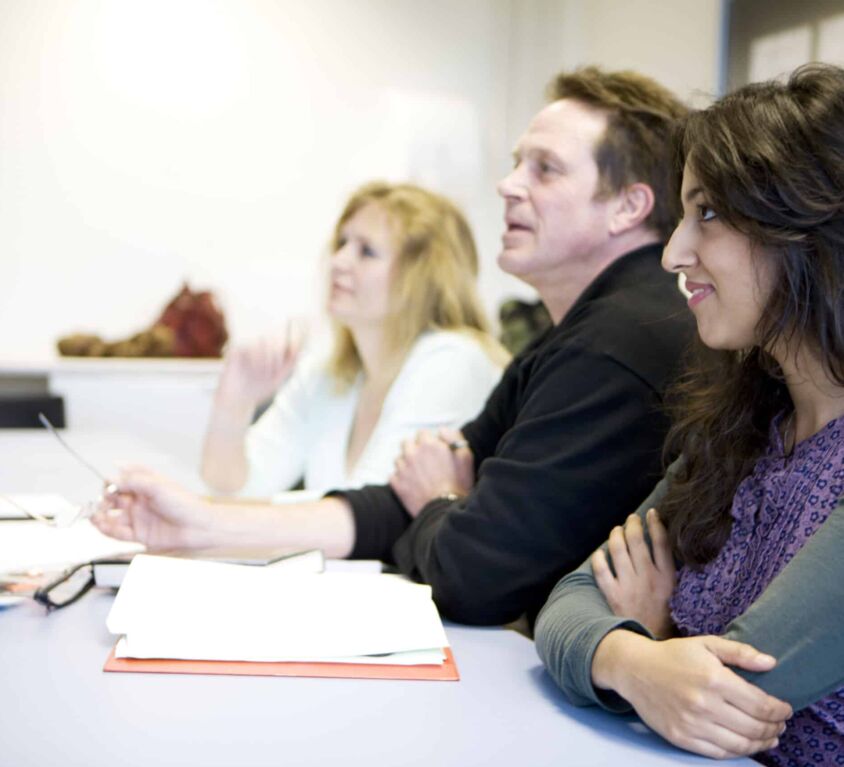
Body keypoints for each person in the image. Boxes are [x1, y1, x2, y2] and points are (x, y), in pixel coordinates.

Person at [92, 67, 693, 624]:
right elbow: (395, 511)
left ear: (627, 206)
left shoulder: (614, 342)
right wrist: (198, 527)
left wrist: (440, 498)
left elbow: (470, 571)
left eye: (545, 168)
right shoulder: (574, 336)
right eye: (516, 164)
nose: (507, 185)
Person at [535, 64, 844, 765]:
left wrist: (652, 633)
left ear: (808, 229)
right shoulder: (749, 428)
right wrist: (638, 661)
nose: (674, 252)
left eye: (707, 212)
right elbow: (570, 600)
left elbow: (734, 691)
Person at [201, 181, 506, 498]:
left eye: (367, 251)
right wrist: (233, 404)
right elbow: (235, 491)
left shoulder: (453, 361)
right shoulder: (329, 373)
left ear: (424, 277)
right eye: (342, 243)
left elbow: (367, 511)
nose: (338, 262)